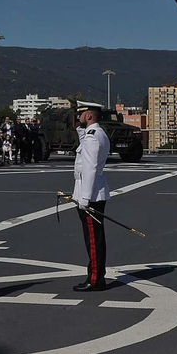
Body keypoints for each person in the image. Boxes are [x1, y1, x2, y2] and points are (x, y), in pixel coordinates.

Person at [71, 101, 111, 291]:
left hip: (90, 195)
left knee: (93, 240)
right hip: (96, 191)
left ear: (88, 116)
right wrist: (80, 131)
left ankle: (95, 279)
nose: (77, 117)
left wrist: (84, 198)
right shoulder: (97, 134)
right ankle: (96, 276)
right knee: (95, 237)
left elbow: (89, 168)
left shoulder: (92, 138)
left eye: (80, 114)